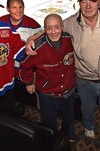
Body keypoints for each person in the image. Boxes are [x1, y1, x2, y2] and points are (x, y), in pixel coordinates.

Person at [27, 0, 100, 146]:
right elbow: (53, 27)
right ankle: (90, 128)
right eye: (83, 1)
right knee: (86, 109)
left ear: (99, 2)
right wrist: (33, 37)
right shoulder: (71, 23)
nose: (87, 6)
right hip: (84, 80)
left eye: (91, 1)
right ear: (79, 3)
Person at [20, 13, 76, 141]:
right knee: (48, 121)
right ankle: (51, 140)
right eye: (49, 28)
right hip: (47, 95)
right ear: (44, 29)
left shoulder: (70, 39)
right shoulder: (37, 47)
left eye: (57, 27)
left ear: (62, 27)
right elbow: (25, 65)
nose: (53, 32)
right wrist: (29, 82)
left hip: (69, 90)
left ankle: (70, 136)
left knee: (69, 117)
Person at [0, 0, 42, 78]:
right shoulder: (0, 22)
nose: (18, 10)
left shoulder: (33, 25)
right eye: (14, 8)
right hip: (4, 72)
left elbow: (41, 50)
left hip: (25, 74)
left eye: (20, 7)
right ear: (8, 9)